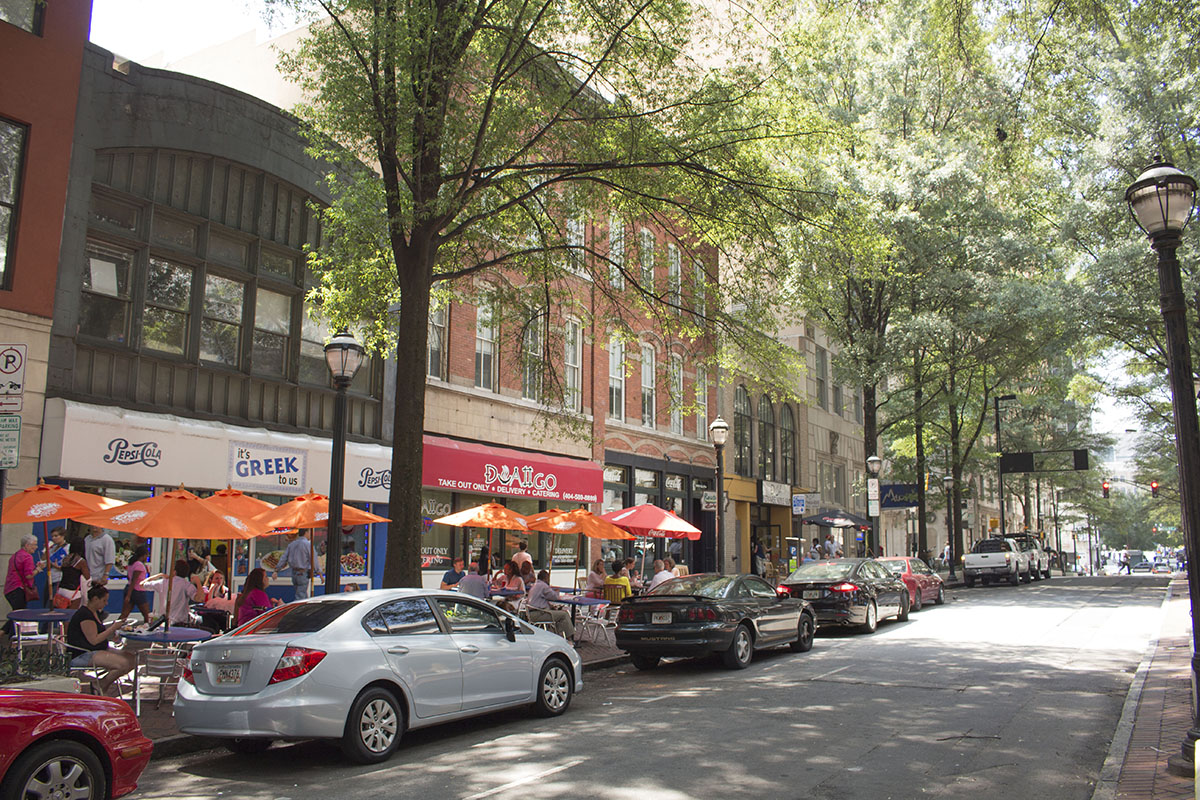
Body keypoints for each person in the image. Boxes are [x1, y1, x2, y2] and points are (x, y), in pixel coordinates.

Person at [66, 585, 136, 696]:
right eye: (104, 600)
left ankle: (102, 683)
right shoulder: (85, 615)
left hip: (100, 648)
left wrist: (115, 630)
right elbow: (94, 640)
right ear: (95, 599)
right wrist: (112, 628)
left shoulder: (95, 612)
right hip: (84, 652)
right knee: (123, 664)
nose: (106, 603)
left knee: (133, 660)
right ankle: (101, 685)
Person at [3, 534, 44, 638]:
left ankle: (5, 634)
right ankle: (12, 639)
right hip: (19, 588)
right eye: (34, 545)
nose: (36, 547)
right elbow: (29, 575)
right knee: (19, 615)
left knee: (17, 613)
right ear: (27, 545)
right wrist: (38, 569)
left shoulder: (15, 555)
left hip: (10, 588)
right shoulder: (27, 557)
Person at [142, 560, 201, 626]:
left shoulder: (163, 582)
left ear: (174, 572)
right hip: (180, 623)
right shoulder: (187, 585)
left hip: (164, 622)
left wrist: (159, 575)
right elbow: (199, 599)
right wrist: (198, 582)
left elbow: (142, 584)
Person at [274, 529, 321, 601]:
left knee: (302, 595)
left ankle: (304, 610)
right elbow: (314, 560)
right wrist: (319, 572)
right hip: (302, 573)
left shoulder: (292, 544)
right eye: (309, 532)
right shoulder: (308, 545)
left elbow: (284, 558)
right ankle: (300, 611)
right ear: (306, 532)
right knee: (301, 597)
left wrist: (277, 570)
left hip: (294, 573)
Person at [527, 570, 575, 639]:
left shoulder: (535, 585)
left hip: (531, 613)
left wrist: (550, 606)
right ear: (546, 578)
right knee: (564, 614)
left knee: (558, 614)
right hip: (539, 614)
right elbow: (554, 597)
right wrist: (557, 591)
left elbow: (541, 600)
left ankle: (558, 636)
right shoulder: (543, 586)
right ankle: (570, 638)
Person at [120, 545, 152, 624]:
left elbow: (129, 577)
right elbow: (134, 580)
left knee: (124, 614)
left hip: (129, 588)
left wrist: (128, 594)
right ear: (144, 555)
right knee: (146, 614)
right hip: (138, 591)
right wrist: (129, 595)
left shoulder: (131, 564)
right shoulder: (139, 565)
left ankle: (115, 628)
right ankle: (147, 628)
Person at [55, 537, 89, 610]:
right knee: (71, 616)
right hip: (73, 591)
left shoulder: (66, 558)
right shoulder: (81, 561)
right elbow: (87, 577)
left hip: (61, 590)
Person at [46, 527, 68, 600]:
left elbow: (68, 566)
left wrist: (57, 566)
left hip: (59, 578)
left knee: (53, 602)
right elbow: (44, 559)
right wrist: (46, 549)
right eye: (52, 536)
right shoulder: (53, 547)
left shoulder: (67, 547)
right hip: (50, 578)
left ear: (62, 536)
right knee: (46, 600)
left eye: (56, 536)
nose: (53, 538)